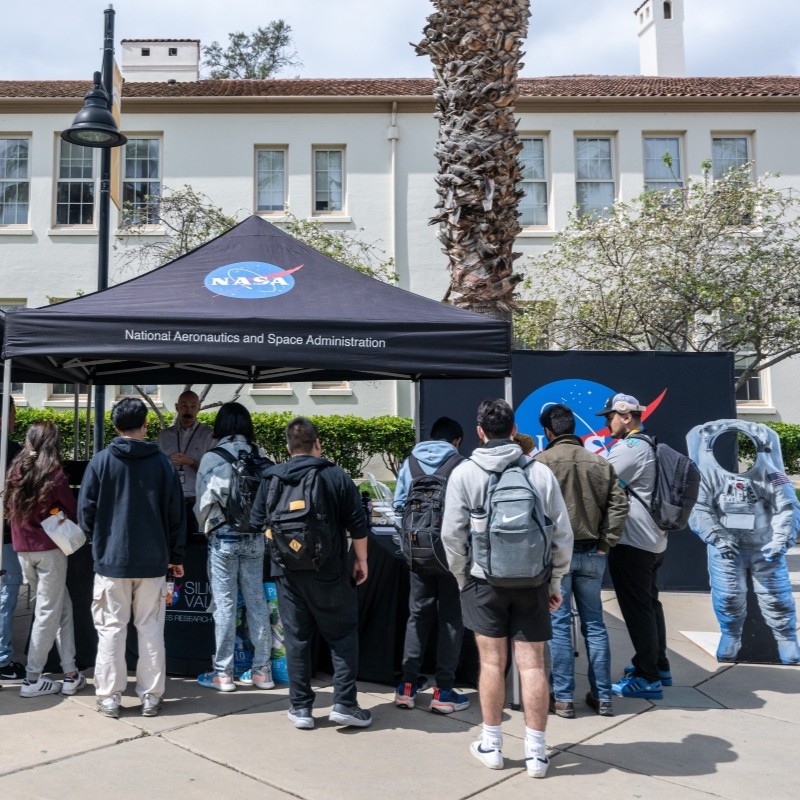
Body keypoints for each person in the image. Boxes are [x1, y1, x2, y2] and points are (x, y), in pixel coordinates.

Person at [441, 399, 573, 779]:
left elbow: (452, 536)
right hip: (533, 581)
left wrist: (463, 578)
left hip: (484, 581)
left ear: (480, 432)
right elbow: (561, 534)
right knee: (532, 665)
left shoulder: (465, 473)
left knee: (491, 664)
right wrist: (555, 580)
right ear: (514, 430)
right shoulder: (539, 472)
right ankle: (537, 754)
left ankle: (493, 745)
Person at [251, 416, 371, 730]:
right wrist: (361, 560)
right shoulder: (334, 475)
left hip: (286, 572)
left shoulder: (271, 478)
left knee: (297, 639)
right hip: (329, 570)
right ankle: (345, 704)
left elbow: (257, 521)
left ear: (288, 447)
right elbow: (358, 524)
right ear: (317, 443)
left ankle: (301, 707)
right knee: (342, 635)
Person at [78, 398, 185, 718]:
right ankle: (151, 695)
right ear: (145, 425)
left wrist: (100, 543)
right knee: (150, 628)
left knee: (111, 628)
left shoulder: (100, 462)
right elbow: (176, 513)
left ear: (114, 426)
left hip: (112, 559)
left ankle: (109, 696)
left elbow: (86, 513)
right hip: (153, 559)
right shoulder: (163, 463)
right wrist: (176, 554)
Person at [535, 404, 628, 718]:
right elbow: (619, 505)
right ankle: (603, 697)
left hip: (556, 556)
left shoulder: (541, 463)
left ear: (548, 431)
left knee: (560, 626)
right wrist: (605, 542)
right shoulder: (599, 462)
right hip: (592, 553)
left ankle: (563, 698)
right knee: (595, 625)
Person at [687, 419, 800, 664]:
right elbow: (699, 509)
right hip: (727, 547)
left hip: (765, 545)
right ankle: (731, 635)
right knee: (728, 595)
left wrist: (780, 541)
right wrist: (717, 538)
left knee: (776, 596)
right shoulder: (707, 474)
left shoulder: (771, 474)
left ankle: (786, 638)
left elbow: (788, 507)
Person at [595, 392, 672, 699]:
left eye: (609, 417)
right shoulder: (648, 444)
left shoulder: (630, 448)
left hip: (633, 542)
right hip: (652, 540)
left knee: (638, 609)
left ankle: (647, 676)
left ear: (626, 416)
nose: (607, 424)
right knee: (649, 604)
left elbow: (597, 477)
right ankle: (658, 665)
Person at [195, 402, 274, 692]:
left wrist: (210, 528)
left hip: (224, 538)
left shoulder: (212, 458)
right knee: (256, 601)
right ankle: (262, 671)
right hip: (255, 537)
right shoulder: (259, 454)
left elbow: (203, 504)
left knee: (225, 604)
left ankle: (223, 674)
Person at [393, 416, 469, 714]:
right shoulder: (461, 465)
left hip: (417, 555)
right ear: (456, 441)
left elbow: (398, 508)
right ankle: (444, 692)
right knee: (451, 619)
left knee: (417, 616)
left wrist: (409, 546)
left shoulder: (409, 463)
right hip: (451, 557)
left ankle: (407, 687)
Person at [5, 422, 86, 698]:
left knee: (62, 607)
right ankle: (32, 678)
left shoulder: (16, 471)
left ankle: (71, 673)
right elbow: (72, 511)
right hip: (50, 549)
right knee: (48, 612)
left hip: (22, 548)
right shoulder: (54, 475)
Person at [157, 390, 215, 540]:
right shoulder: (164, 436)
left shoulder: (209, 435)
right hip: (171, 503)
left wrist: (191, 462)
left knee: (196, 547)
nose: (188, 411)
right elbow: (156, 471)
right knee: (170, 544)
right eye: (184, 406)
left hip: (198, 503)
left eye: (193, 406)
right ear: (177, 407)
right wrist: (167, 462)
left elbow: (214, 473)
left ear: (199, 408)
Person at [0, 396, 25, 684]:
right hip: (6, 533)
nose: (15, 419)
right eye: (13, 414)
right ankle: (2, 660)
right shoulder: (14, 452)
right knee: (6, 594)